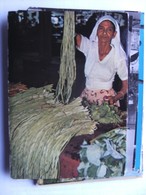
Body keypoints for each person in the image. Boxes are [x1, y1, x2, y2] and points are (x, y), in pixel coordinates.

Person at [76, 15, 128, 106]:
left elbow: (126, 84)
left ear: (114, 34)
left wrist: (116, 97)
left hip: (106, 101)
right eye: (101, 28)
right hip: (86, 97)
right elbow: (77, 38)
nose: (104, 32)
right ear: (96, 31)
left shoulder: (118, 56)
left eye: (109, 30)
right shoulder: (90, 47)